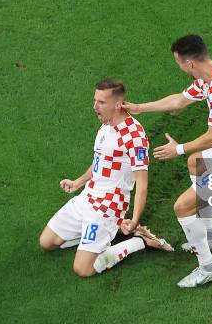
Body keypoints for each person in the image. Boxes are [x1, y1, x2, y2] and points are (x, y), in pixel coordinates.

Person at [123, 35, 212, 287]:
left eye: (179, 63)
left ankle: (208, 267)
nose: (179, 67)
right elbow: (179, 101)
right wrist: (139, 108)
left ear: (190, 63)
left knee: (182, 207)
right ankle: (209, 236)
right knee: (196, 163)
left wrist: (176, 149)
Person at [39, 78, 173, 277]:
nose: (95, 107)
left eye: (101, 102)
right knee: (46, 243)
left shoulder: (134, 136)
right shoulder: (106, 124)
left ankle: (141, 240)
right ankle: (107, 231)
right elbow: (100, 162)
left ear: (118, 104)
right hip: (88, 197)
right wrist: (78, 182)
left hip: (108, 206)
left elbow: (142, 184)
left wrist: (135, 220)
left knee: (83, 269)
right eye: (95, 100)